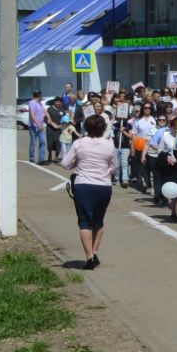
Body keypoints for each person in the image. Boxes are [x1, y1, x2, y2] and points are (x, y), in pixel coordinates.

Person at [61, 113, 118, 268]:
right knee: (98, 220)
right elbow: (114, 166)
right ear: (103, 128)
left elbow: (65, 164)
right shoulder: (109, 145)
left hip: (83, 185)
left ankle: (89, 257)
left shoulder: (79, 143)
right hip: (103, 186)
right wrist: (105, 172)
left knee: (84, 221)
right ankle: (95, 252)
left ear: (86, 127)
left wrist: (78, 164)